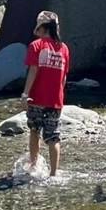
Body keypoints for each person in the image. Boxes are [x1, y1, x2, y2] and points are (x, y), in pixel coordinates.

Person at [20, 10, 70, 177]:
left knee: (35, 131)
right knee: (53, 137)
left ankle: (34, 166)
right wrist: (60, 96)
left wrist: (25, 93)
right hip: (55, 100)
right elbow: (63, 78)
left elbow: (33, 71)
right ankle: (54, 174)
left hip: (37, 98)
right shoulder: (64, 49)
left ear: (41, 27)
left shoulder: (36, 45)